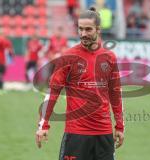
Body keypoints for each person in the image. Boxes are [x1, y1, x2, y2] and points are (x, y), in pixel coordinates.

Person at [35, 7, 124, 160]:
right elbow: (53, 92)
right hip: (76, 135)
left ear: (98, 29)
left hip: (104, 135)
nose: (83, 34)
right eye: (80, 29)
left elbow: (115, 93)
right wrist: (43, 124)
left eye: (88, 29)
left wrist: (120, 126)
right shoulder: (68, 56)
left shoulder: (110, 57)